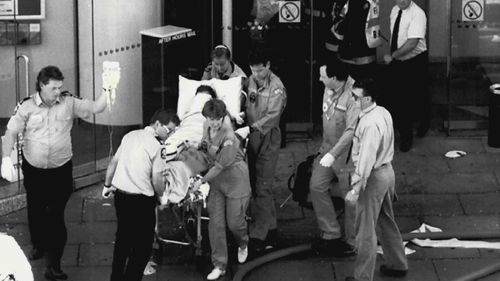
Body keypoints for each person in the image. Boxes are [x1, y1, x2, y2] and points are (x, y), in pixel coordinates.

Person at [0, 65, 114, 280]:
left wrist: (107, 88)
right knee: (35, 208)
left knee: (55, 216)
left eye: (60, 87)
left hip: (60, 170)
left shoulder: (68, 101)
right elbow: (10, 132)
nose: (57, 92)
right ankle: (38, 245)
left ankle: (54, 265)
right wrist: (5, 158)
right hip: (34, 169)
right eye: (53, 88)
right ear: (42, 85)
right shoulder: (26, 106)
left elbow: (96, 107)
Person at [103, 109, 179, 281]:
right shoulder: (158, 147)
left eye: (173, 131)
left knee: (122, 241)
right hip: (142, 201)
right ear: (157, 124)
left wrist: (107, 185)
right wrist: (162, 197)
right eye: (169, 130)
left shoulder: (129, 136)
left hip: (121, 197)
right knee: (142, 247)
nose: (170, 134)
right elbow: (157, 178)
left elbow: (113, 163)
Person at [345, 78, 408, 281]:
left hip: (372, 178)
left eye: (356, 97)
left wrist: (355, 188)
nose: (353, 100)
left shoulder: (369, 124)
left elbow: (366, 159)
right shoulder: (383, 112)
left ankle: (362, 277)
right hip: (387, 172)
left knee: (365, 231)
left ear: (367, 99)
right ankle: (397, 263)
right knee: (386, 220)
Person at [192, 99, 251, 280]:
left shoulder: (229, 138)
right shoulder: (206, 126)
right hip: (217, 182)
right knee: (215, 224)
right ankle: (219, 265)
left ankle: (243, 243)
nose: (214, 122)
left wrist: (200, 180)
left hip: (235, 180)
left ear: (223, 116)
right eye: (211, 118)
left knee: (235, 223)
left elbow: (219, 166)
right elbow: (204, 144)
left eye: (218, 118)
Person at [235, 47, 287, 254]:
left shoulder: (277, 88)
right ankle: (270, 227)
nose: (256, 75)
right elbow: (246, 103)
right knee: (255, 186)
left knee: (262, 187)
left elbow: (273, 117)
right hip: (251, 139)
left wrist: (251, 127)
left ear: (268, 65)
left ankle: (259, 235)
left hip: (267, 139)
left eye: (260, 71)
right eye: (253, 71)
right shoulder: (250, 81)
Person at [310, 60, 359, 257]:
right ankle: (330, 233)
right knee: (316, 186)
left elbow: (351, 130)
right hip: (327, 151)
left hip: (346, 158)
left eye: (323, 76)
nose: (320, 79)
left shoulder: (354, 96)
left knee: (351, 201)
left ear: (335, 78)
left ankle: (353, 242)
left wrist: (332, 154)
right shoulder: (330, 88)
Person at [384, 0, 429, 152]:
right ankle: (405, 132)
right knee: (399, 98)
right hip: (398, 60)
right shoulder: (394, 10)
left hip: (415, 61)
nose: (402, 1)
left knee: (415, 96)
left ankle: (417, 129)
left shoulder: (418, 14)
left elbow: (412, 43)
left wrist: (393, 56)